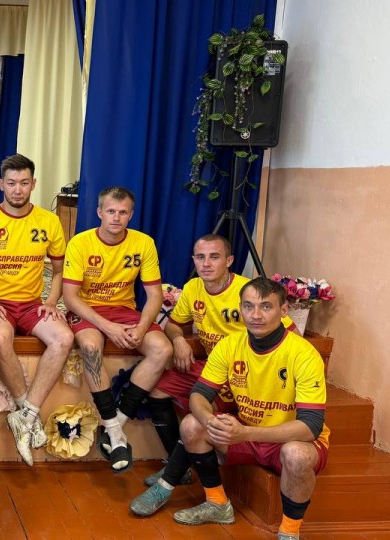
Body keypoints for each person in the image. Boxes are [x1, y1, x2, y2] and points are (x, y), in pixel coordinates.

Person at [130, 278, 329, 540]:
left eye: (266, 307)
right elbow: (200, 394)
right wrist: (208, 420)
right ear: (240, 308)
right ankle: (217, 503)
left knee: (297, 455)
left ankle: (289, 533)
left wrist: (245, 433)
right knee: (192, 424)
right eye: (248, 306)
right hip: (245, 433)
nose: (255, 315)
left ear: (283, 310)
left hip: (283, 439)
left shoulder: (303, 353)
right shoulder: (230, 345)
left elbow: (310, 426)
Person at [135, 234, 297, 489]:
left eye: (214, 257)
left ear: (229, 261)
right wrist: (178, 340)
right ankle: (175, 463)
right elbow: (174, 325)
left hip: (243, 373)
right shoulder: (193, 287)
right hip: (213, 364)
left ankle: (180, 471)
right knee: (156, 390)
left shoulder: (249, 292)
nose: (206, 264)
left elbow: (292, 335)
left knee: (201, 408)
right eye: (200, 257)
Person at [0, 154, 73, 466]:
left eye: (24, 183)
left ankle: (25, 415)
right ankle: (28, 413)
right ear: (1, 184)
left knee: (64, 338)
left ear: (33, 184)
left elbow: (60, 271)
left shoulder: (49, 221)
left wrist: (51, 303)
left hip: (31, 304)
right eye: (12, 183)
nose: (18, 189)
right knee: (0, 338)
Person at [61, 186, 172, 473]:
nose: (116, 217)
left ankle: (114, 426)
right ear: (99, 212)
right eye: (111, 211)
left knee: (162, 349)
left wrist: (143, 326)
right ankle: (113, 428)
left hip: (124, 310)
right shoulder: (81, 242)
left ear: (130, 215)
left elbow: (155, 295)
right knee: (90, 347)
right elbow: (70, 297)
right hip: (87, 310)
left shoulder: (143, 243)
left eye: (123, 212)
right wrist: (108, 327)